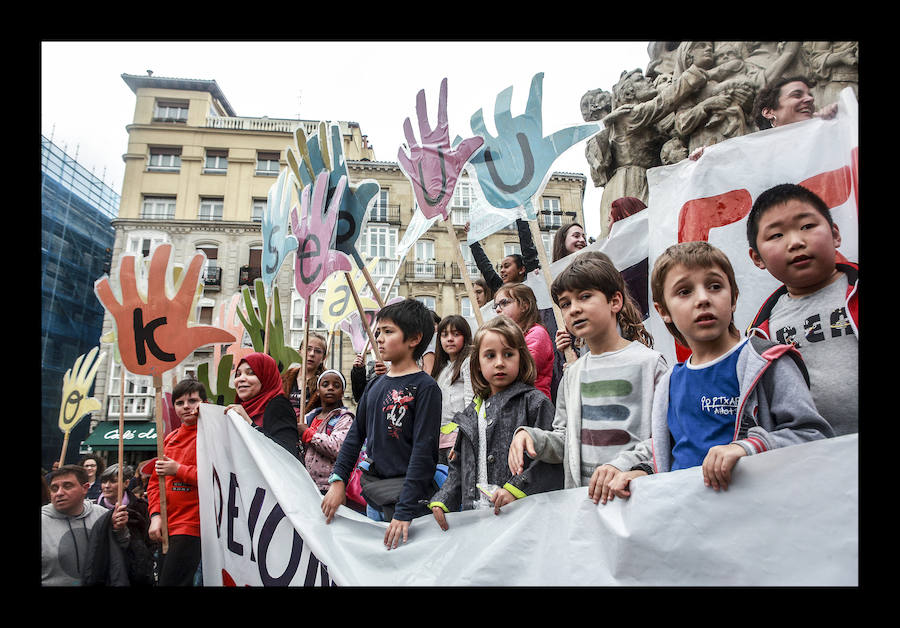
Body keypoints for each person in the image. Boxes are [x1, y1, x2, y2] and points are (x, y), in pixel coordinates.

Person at [596, 241, 833, 501]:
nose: (703, 299)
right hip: (693, 527)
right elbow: (668, 451)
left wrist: (749, 447)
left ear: (733, 298)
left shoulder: (767, 362)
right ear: (663, 311)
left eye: (715, 286)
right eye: (685, 291)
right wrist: (639, 470)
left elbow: (813, 436)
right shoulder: (670, 383)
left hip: (762, 519)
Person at [508, 255, 666, 502]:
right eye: (565, 303)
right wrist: (531, 437)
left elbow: (665, 436)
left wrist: (623, 466)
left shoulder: (650, 363)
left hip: (634, 498)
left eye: (584, 297)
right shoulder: (572, 374)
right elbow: (564, 441)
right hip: (584, 504)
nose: (575, 309)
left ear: (614, 301)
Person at [322, 298, 441, 551]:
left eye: (388, 331)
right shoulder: (375, 385)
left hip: (408, 504)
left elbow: (424, 451)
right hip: (374, 497)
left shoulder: (426, 387)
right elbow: (355, 437)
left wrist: (405, 510)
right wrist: (338, 480)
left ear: (414, 338)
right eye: (378, 332)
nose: (379, 338)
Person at [746, 183, 858, 436]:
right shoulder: (760, 334)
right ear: (757, 258)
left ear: (835, 234)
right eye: (776, 235)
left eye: (807, 226)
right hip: (809, 464)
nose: (796, 242)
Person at [429, 316, 562, 528]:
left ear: (521, 358)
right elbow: (459, 467)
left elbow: (552, 460)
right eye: (490, 355)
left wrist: (516, 489)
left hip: (522, 520)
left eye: (508, 354)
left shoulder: (535, 403)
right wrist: (444, 499)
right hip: (476, 520)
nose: (500, 362)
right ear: (478, 364)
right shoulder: (471, 413)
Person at [147, 379, 206, 586]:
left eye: (193, 400)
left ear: (204, 403)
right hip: (167, 525)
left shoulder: (212, 436)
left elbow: (217, 478)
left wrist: (178, 470)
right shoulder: (169, 439)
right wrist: (155, 516)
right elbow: (155, 483)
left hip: (193, 525)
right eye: (180, 403)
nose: (186, 406)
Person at [42, 464, 123, 585]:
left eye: (67, 486)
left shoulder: (103, 515)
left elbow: (120, 552)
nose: (59, 493)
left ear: (85, 488)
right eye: (54, 488)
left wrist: (121, 530)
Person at [84, 462, 156, 586]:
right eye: (104, 482)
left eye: (112, 482)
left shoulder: (141, 507)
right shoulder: (93, 509)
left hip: (134, 570)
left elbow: (149, 540)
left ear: (126, 483)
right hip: (104, 567)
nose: (106, 486)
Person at [226, 353, 301, 459]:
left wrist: (249, 424)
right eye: (238, 374)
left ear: (266, 376)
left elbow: (287, 454)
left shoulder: (279, 406)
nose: (241, 379)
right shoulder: (240, 409)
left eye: (250, 373)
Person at [492, 283, 554, 400]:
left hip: (533, 406)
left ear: (525, 305)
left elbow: (522, 370)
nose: (498, 310)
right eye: (496, 306)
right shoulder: (508, 336)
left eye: (504, 303)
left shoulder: (537, 333)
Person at [300, 369, 356, 494]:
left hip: (330, 487)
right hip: (307, 484)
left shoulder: (345, 418)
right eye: (325, 385)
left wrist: (308, 434)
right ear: (318, 391)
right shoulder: (308, 418)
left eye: (336, 386)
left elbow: (337, 448)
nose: (330, 388)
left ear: (342, 393)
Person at [432, 315, 474, 464]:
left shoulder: (468, 362)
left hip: (458, 438)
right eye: (444, 335)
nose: (450, 339)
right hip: (440, 439)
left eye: (456, 334)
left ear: (466, 336)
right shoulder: (441, 369)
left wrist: (464, 438)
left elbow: (471, 402)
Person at [465, 219, 538, 294]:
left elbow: (527, 247)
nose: (502, 270)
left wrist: (520, 218)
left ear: (522, 269)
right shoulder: (501, 288)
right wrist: (472, 239)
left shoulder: (532, 280)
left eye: (507, 266)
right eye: (501, 267)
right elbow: (485, 266)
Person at [752, 75, 838, 130]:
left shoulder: (827, 136)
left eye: (810, 95)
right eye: (797, 95)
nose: (810, 99)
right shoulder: (756, 153)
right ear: (768, 113)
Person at [282, 332, 328, 417]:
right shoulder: (286, 377)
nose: (312, 354)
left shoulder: (327, 382)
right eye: (308, 349)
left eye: (318, 351)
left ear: (324, 358)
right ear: (300, 351)